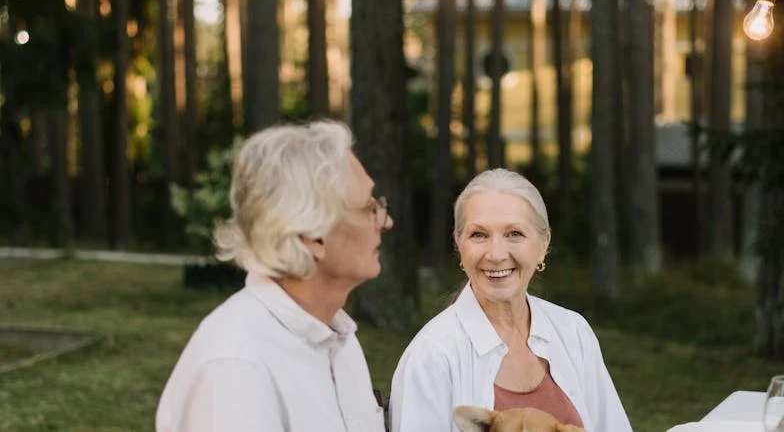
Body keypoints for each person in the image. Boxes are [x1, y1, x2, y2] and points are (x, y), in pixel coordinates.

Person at [156, 120, 392, 432]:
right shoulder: (236, 368)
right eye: (369, 208)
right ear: (313, 237)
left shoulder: (339, 340)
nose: (385, 222)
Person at [389, 168, 632, 432]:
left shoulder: (573, 332)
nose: (495, 254)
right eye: (478, 234)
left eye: (514, 234)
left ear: (543, 243)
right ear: (460, 245)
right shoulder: (432, 355)